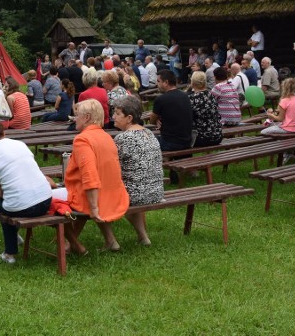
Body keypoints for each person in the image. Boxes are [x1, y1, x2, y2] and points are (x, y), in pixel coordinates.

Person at [53, 100, 129, 254]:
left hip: (90, 196)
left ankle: (72, 244)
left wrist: (94, 207)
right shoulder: (106, 137)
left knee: (49, 200)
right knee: (88, 198)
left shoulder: (82, 139)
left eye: (77, 116)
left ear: (86, 117)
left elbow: (90, 176)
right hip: (112, 196)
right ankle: (110, 241)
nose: (74, 119)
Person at [0, 117, 54, 264]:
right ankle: (14, 238)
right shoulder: (20, 144)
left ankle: (10, 252)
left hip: (22, 207)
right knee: (8, 201)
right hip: (46, 199)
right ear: (2, 130)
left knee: (1, 202)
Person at [112, 96, 164, 246]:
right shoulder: (149, 133)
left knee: (100, 194)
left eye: (117, 113)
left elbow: (113, 168)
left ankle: (110, 240)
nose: (113, 117)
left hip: (136, 194)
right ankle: (143, 237)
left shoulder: (123, 138)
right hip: (156, 191)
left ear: (129, 118)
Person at [150, 69, 194, 181]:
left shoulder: (161, 99)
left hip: (170, 142)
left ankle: (152, 174)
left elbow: (151, 120)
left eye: (158, 81)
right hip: (187, 140)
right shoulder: (185, 96)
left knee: (147, 140)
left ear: (165, 82)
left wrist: (157, 120)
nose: (157, 84)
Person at [187, 71, 223, 146]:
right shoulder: (211, 95)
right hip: (217, 136)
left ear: (192, 83)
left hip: (200, 138)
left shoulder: (191, 98)